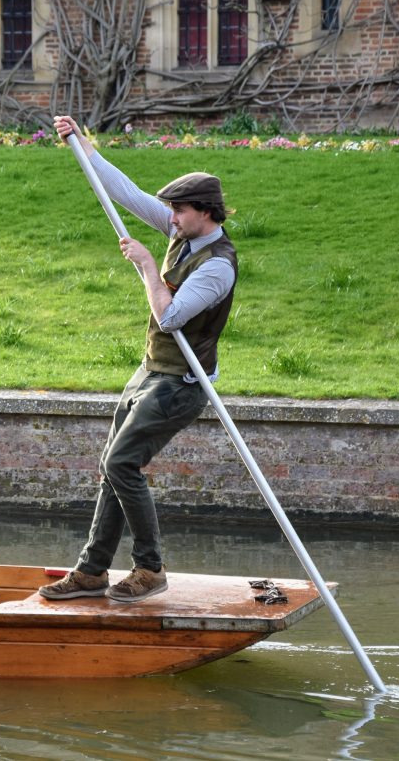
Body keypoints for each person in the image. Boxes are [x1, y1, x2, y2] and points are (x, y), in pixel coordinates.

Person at [39, 115, 237, 604]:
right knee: (113, 465)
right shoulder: (183, 231)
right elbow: (123, 191)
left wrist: (148, 264)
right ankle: (91, 572)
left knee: (122, 463)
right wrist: (79, 143)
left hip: (183, 385)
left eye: (179, 211)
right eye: (169, 210)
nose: (170, 217)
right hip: (151, 370)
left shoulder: (217, 267)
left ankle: (151, 568)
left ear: (206, 213)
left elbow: (170, 318)